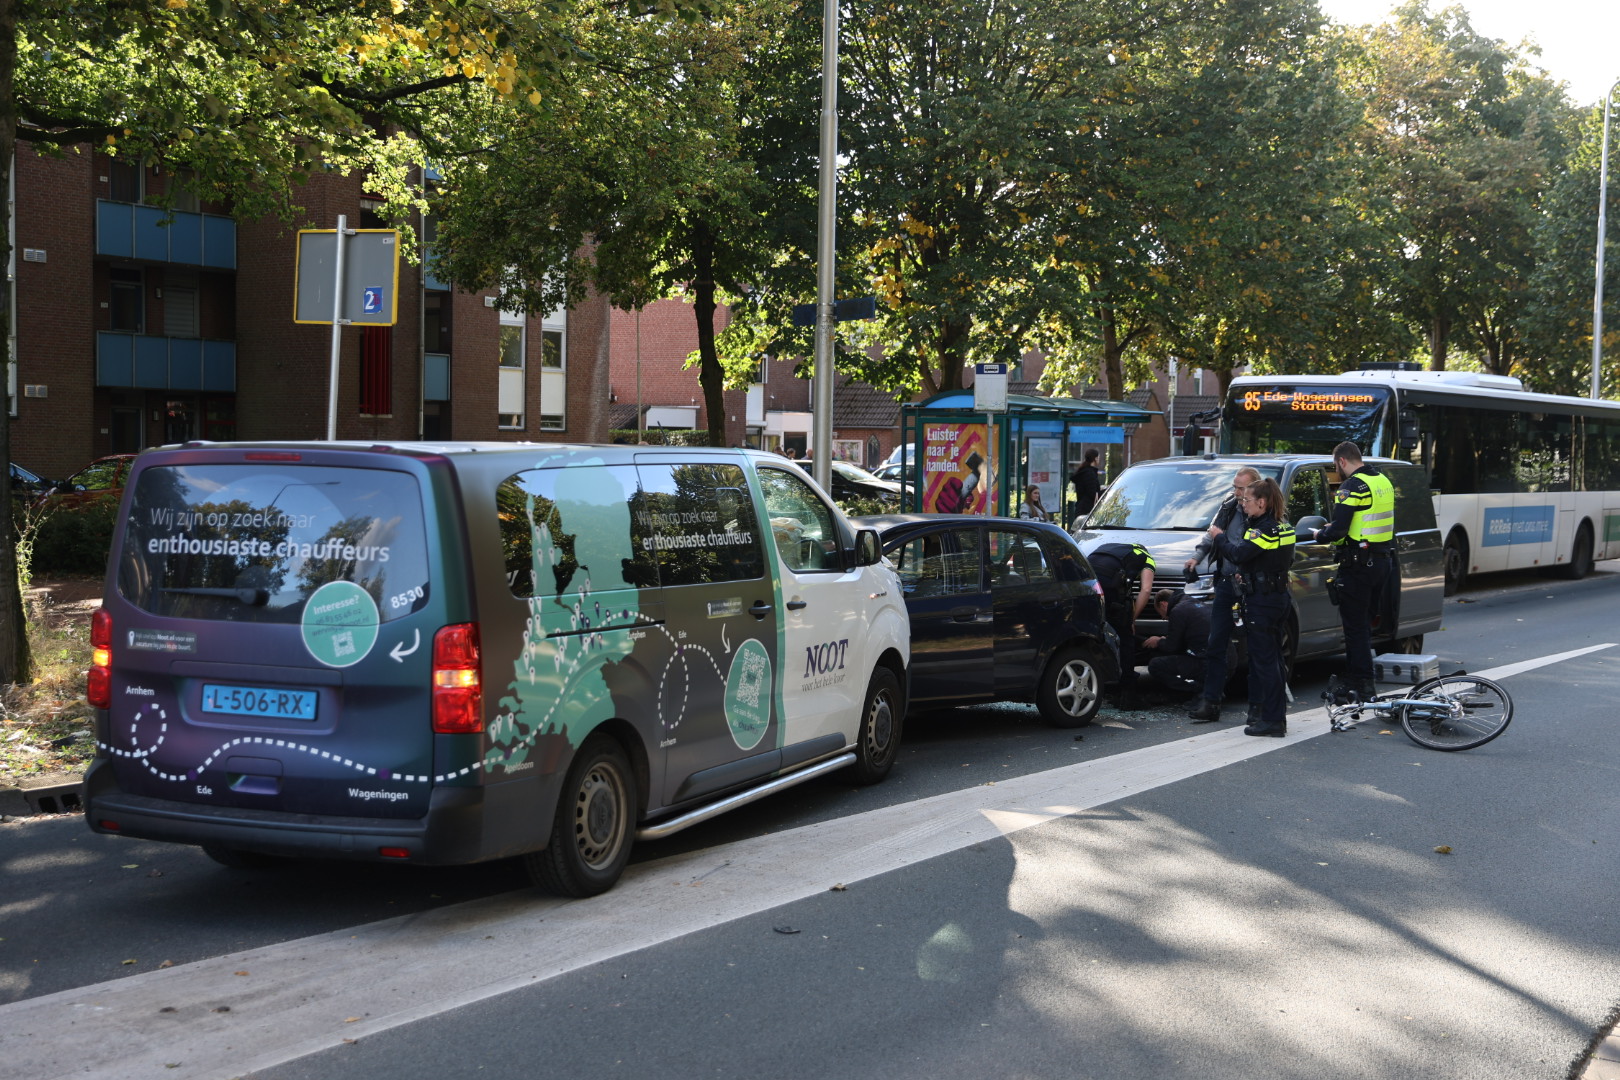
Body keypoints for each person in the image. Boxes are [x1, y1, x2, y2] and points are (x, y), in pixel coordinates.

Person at [1304, 441, 1395, 702]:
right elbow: (1367, 519)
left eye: (1336, 466)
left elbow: (1338, 530)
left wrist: (1321, 533)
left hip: (1357, 565)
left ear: (1342, 461)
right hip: (1381, 561)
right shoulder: (1382, 481)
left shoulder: (1352, 486)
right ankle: (1360, 680)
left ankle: (1362, 685)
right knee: (1363, 626)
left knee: (1354, 629)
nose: (1337, 471)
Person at [1207, 477, 1296, 736]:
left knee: (1264, 661)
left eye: (1247, 500)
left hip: (1263, 601)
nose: (1243, 505)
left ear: (1262, 502)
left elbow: (1238, 554)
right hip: (1278, 598)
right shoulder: (1283, 526)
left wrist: (1219, 536)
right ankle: (1275, 716)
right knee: (1276, 660)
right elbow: (1272, 560)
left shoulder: (1263, 529)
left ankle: (1272, 720)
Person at [1184, 466, 1263, 723]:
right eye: (1235, 487)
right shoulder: (1229, 506)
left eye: (1241, 488)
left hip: (1253, 586)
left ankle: (1262, 706)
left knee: (1260, 646)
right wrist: (1196, 558)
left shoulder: (1263, 512)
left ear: (1255, 489)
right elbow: (1212, 535)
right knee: (1215, 642)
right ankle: (1211, 701)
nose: (1237, 492)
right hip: (1227, 583)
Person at [1087, 541, 1156, 709]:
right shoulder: (1147, 557)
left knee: (1095, 633)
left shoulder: (1107, 547)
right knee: (1126, 638)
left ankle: (1100, 686)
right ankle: (1128, 695)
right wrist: (1131, 619)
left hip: (1088, 582)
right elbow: (1146, 590)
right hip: (1109, 584)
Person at [1141, 589, 1211, 698]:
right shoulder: (1197, 604)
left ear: (1163, 604)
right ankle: (1207, 687)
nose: (1164, 618)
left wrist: (1159, 641)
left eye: (1161, 614)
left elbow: (1172, 647)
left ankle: (1193, 691)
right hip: (1223, 663)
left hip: (1205, 664)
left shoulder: (1177, 611)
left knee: (1155, 665)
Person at [1070, 449, 1102, 524]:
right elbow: (1092, 493)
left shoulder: (1084, 471)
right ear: (1095, 458)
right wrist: (1107, 491)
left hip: (1081, 509)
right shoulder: (1089, 473)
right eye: (1098, 458)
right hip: (1086, 510)